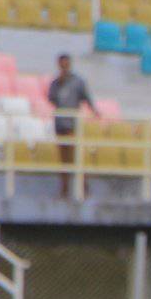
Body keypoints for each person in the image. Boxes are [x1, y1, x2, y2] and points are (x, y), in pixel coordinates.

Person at [47, 54, 97, 196]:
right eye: (62, 64)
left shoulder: (78, 82)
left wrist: (94, 110)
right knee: (63, 160)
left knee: (76, 157)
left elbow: (86, 97)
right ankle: (64, 189)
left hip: (73, 125)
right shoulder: (55, 83)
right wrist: (60, 84)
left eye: (66, 64)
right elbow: (51, 98)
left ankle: (84, 187)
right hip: (60, 124)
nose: (64, 67)